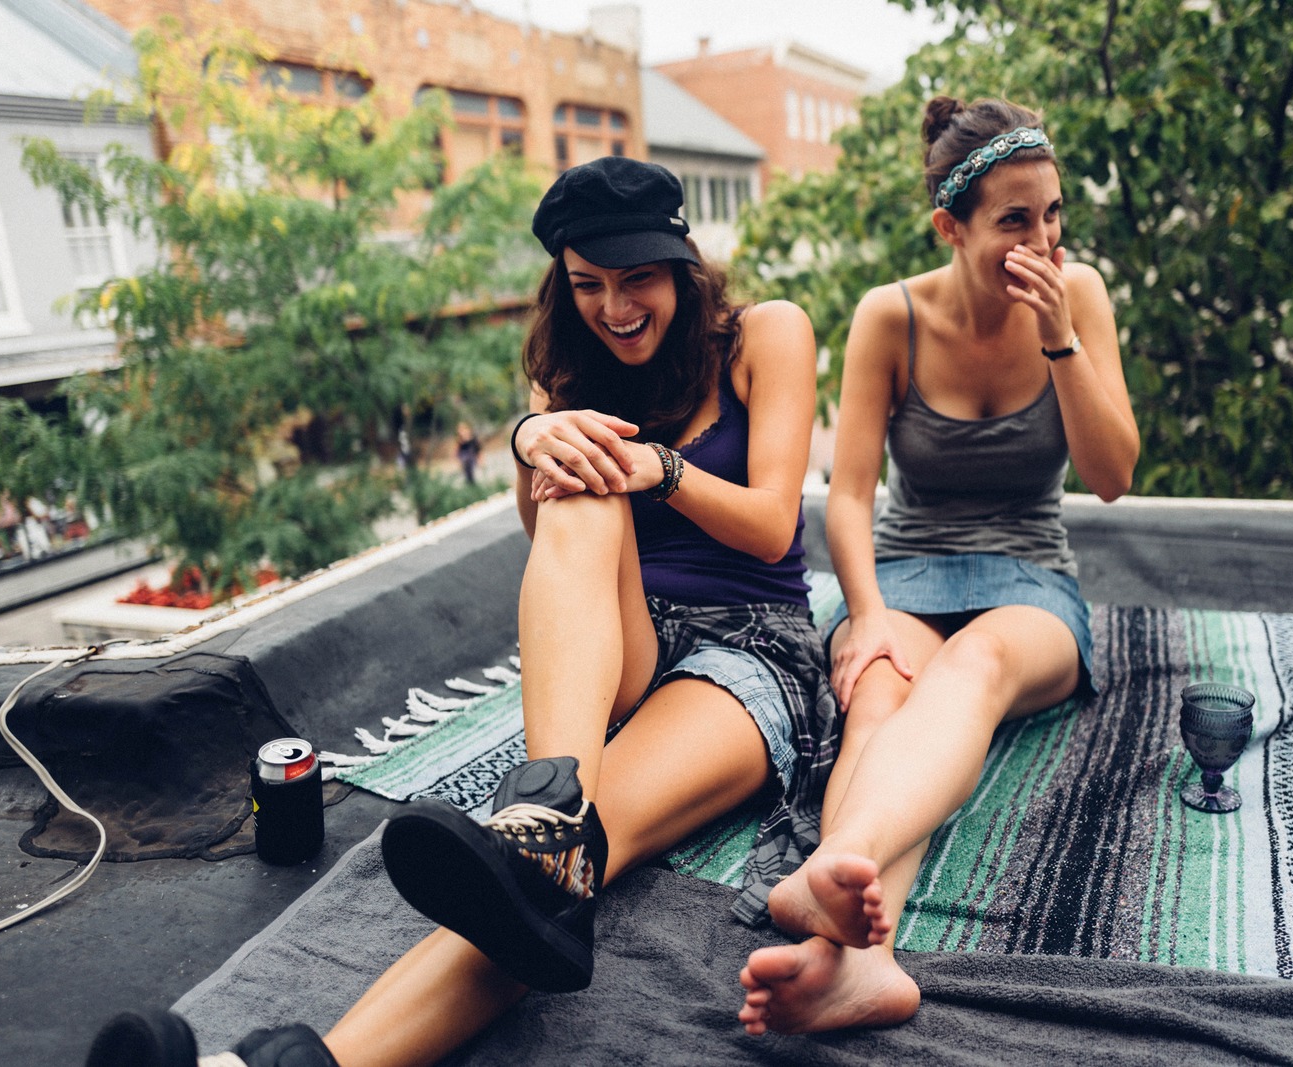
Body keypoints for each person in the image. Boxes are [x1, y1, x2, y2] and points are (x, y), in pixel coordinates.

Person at [86, 156, 838, 1067]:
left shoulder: (766, 333)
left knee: (553, 883)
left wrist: (663, 469)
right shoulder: (569, 367)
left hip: (748, 650)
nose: (615, 307)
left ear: (683, 260)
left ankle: (264, 1063)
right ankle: (549, 806)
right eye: (588, 283)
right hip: (632, 632)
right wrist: (534, 439)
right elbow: (547, 535)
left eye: (638, 278)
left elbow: (771, 528)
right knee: (576, 494)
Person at [737, 97, 1139, 1036]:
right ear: (949, 228)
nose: (1043, 240)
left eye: (1053, 215)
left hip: (1029, 575)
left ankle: (828, 871)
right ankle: (862, 961)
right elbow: (846, 493)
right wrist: (867, 614)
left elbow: (1114, 477)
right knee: (879, 690)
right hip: (907, 567)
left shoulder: (1077, 298)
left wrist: (1061, 339)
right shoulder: (891, 316)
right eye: (1014, 221)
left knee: (971, 670)